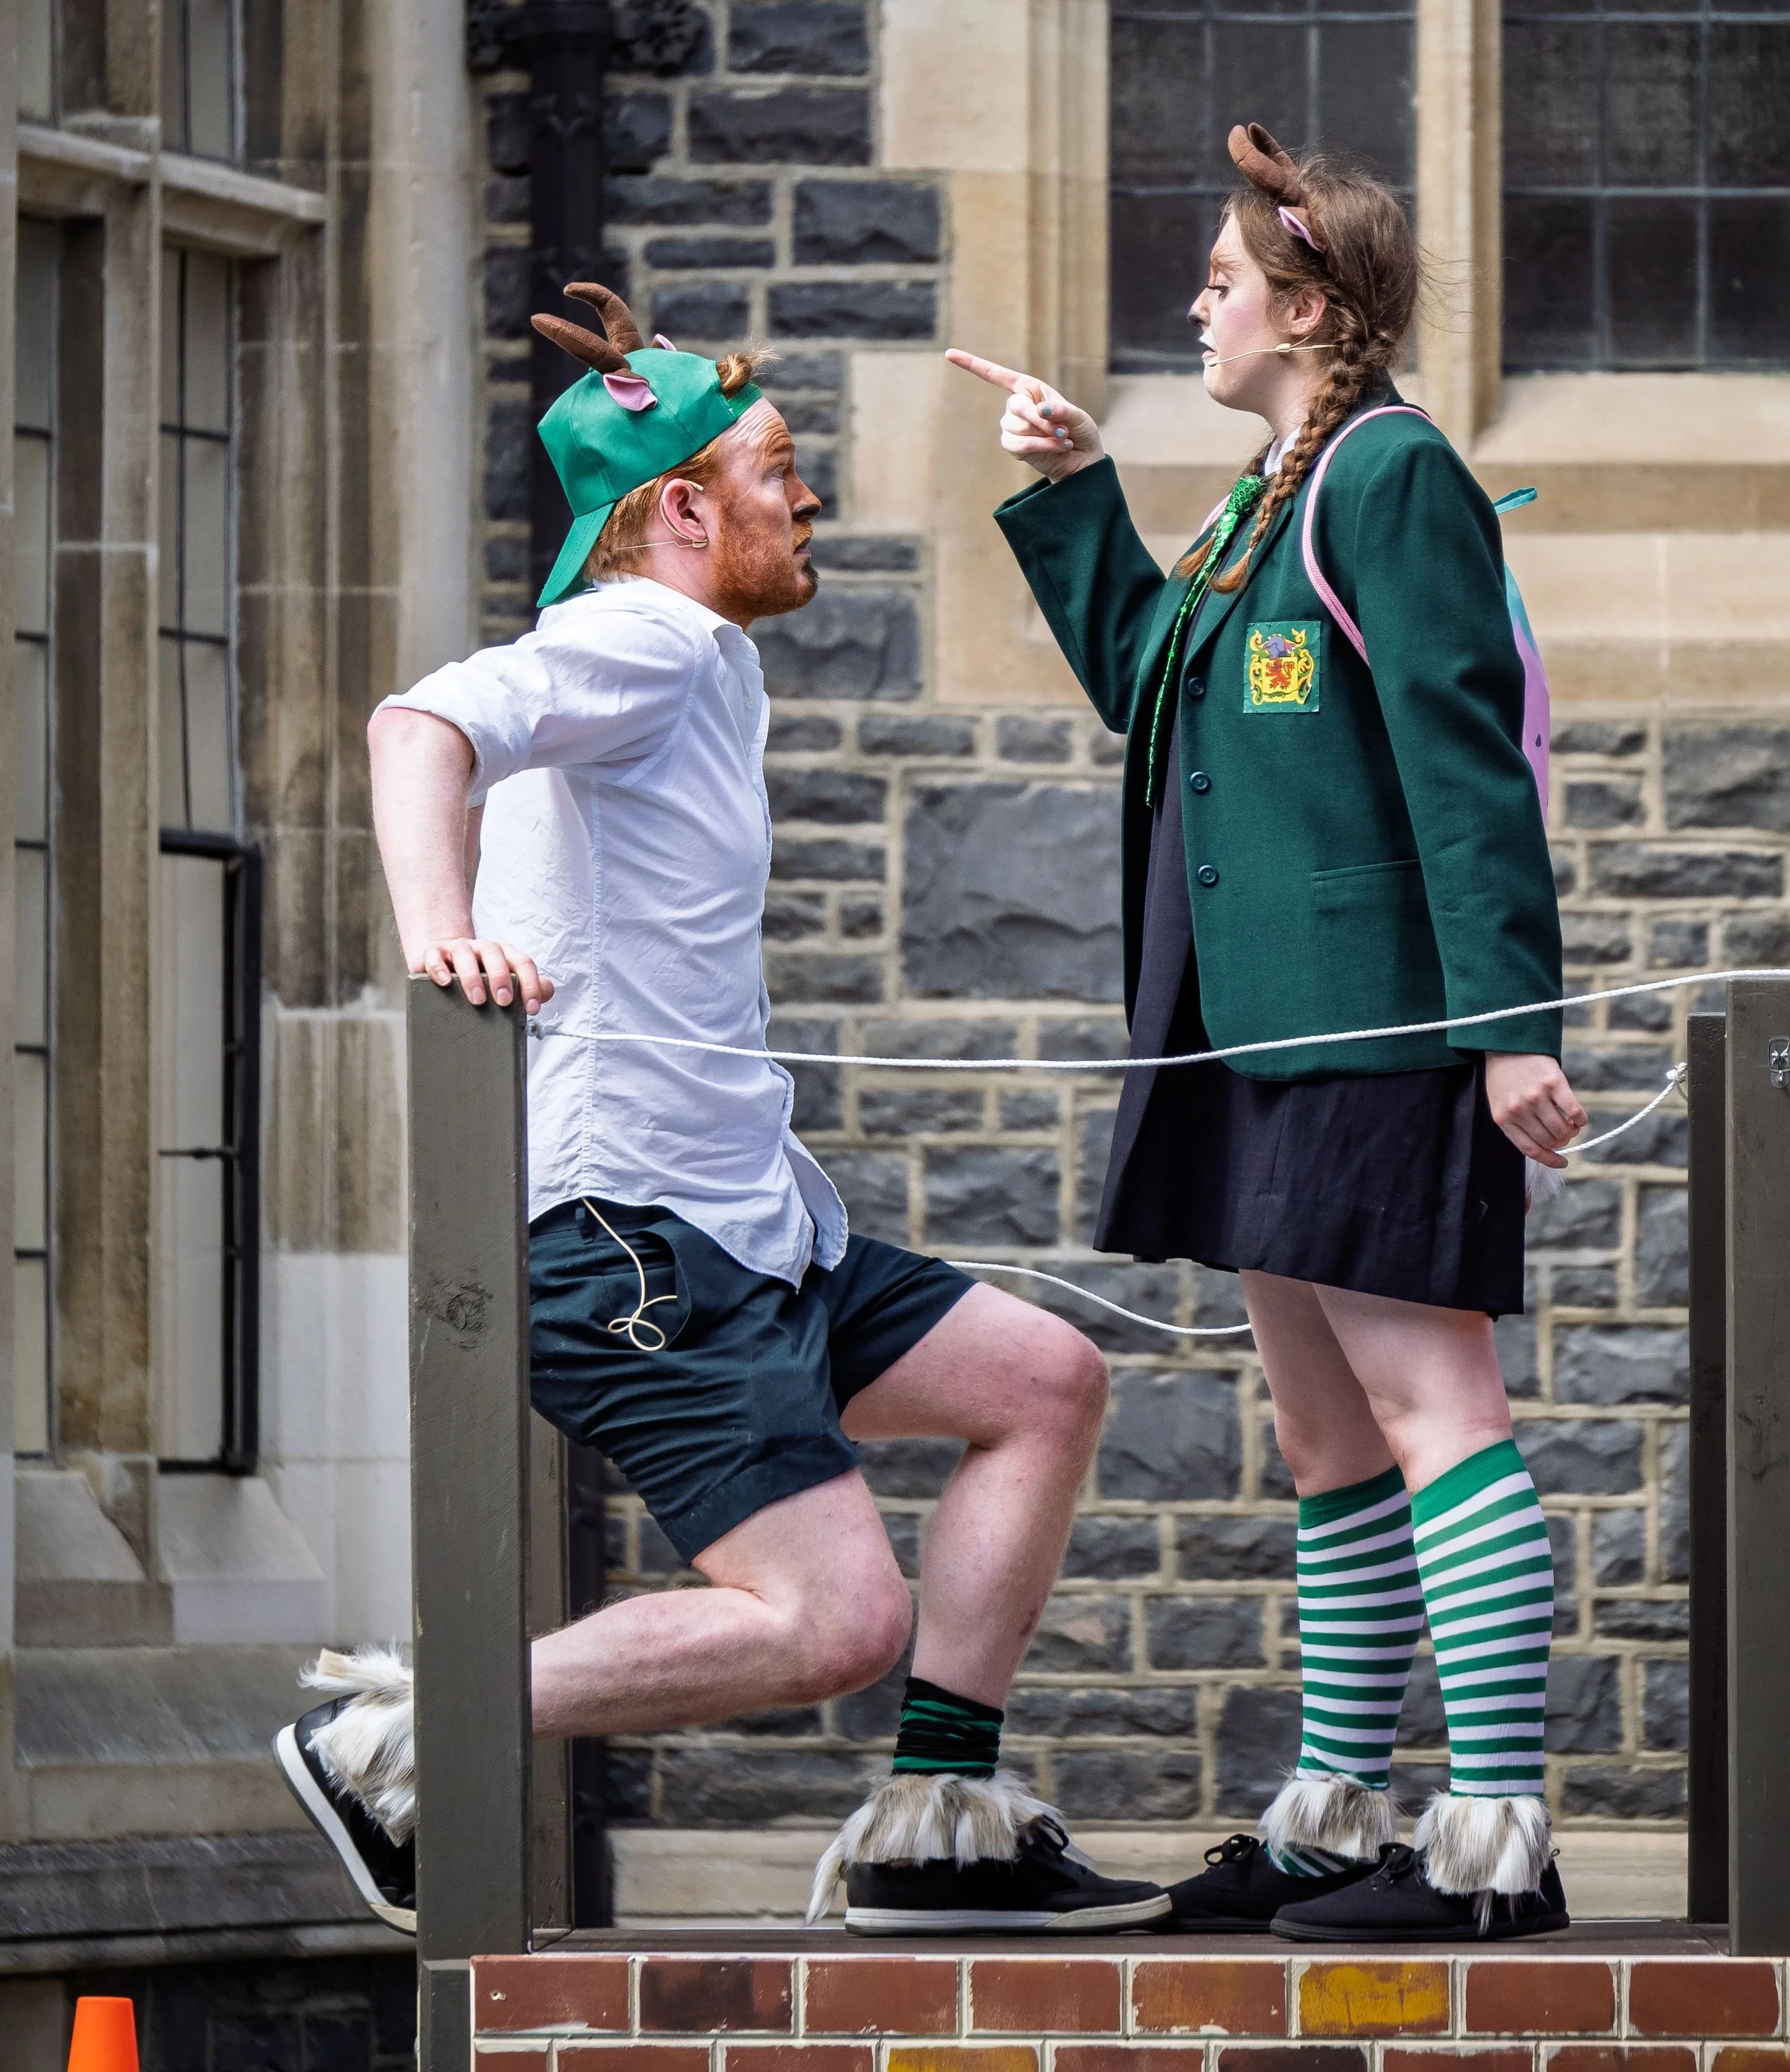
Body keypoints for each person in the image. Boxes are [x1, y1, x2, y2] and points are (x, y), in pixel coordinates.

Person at [274, 284, 1170, 1940]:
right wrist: (433, 929)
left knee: (1041, 1381)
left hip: (745, 1226)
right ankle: (388, 1735)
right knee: (831, 1621)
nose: (806, 490)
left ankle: (939, 1821)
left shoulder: (690, 655)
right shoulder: (646, 635)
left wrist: (657, 366)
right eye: (774, 465)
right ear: (680, 508)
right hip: (632, 1246)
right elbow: (419, 721)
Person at [950, 125, 1588, 1943]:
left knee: (1429, 1406)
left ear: (1306, 309)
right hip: (1251, 1033)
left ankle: (1490, 1842)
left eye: (1220, 283)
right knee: (1325, 1437)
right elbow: (1152, 692)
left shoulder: (1387, 479)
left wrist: (1507, 1027)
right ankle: (1327, 1819)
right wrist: (1071, 487)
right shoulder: (1261, 493)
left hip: (1384, 1024)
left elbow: (1463, 765)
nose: (1193, 306)